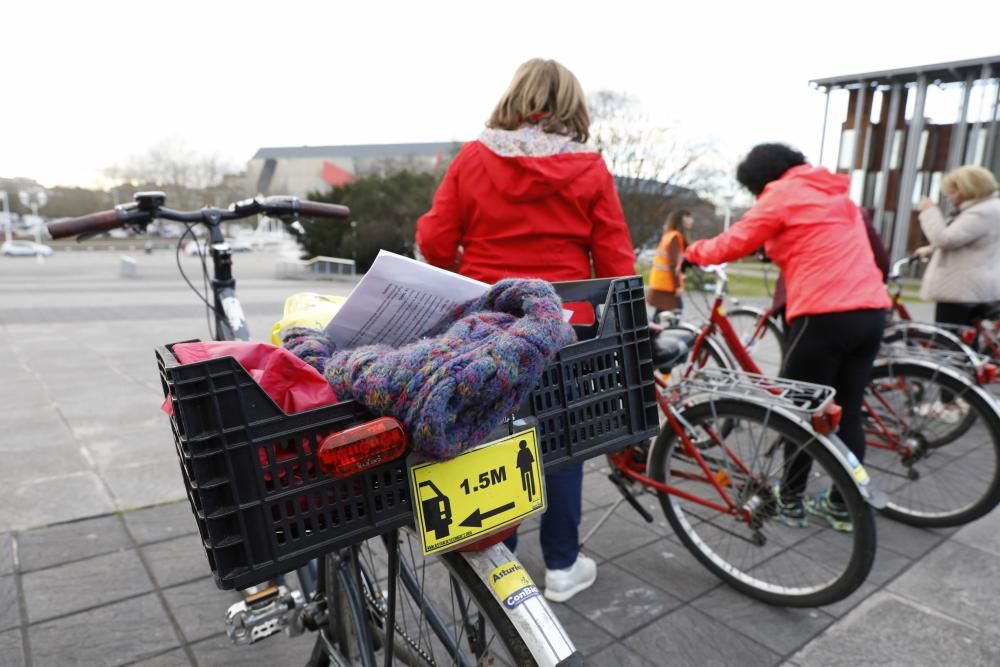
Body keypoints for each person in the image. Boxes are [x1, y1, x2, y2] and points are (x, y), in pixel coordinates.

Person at [416, 58, 635, 601]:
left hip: (487, 323)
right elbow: (614, 260)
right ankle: (562, 565)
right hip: (566, 328)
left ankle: (500, 561)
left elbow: (438, 244)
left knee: (491, 436)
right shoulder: (589, 168)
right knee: (562, 440)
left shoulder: (473, 158)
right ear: (572, 105)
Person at [684, 143, 890, 532]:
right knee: (847, 409)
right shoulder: (834, 194)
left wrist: (692, 252)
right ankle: (842, 505)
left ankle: (790, 501)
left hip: (824, 314)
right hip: (871, 312)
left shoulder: (781, 194)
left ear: (762, 180)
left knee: (800, 412)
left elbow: (734, 242)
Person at [646, 209, 693, 324]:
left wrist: (682, 276)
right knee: (676, 312)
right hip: (667, 285)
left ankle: (652, 337)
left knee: (661, 314)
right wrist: (678, 286)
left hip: (662, 283)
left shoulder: (670, 235)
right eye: (688, 216)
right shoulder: (675, 238)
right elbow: (673, 264)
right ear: (681, 219)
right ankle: (665, 337)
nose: (692, 220)